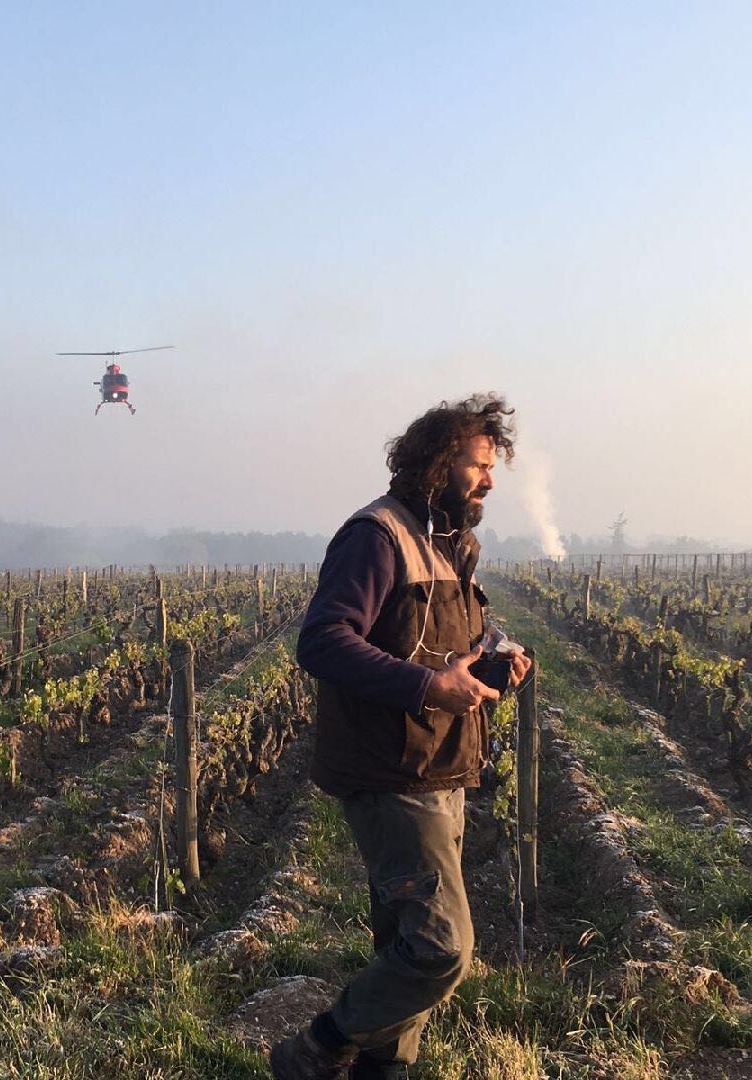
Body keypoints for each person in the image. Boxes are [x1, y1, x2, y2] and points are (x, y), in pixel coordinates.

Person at [271, 393, 532, 1080]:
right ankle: (317, 1048)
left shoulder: (448, 540)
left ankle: (379, 1072)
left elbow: (443, 641)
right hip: (394, 773)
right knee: (441, 947)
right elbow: (323, 640)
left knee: (404, 939)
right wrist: (428, 689)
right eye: (479, 465)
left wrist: (495, 655)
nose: (490, 480)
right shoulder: (378, 536)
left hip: (439, 762)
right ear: (439, 463)